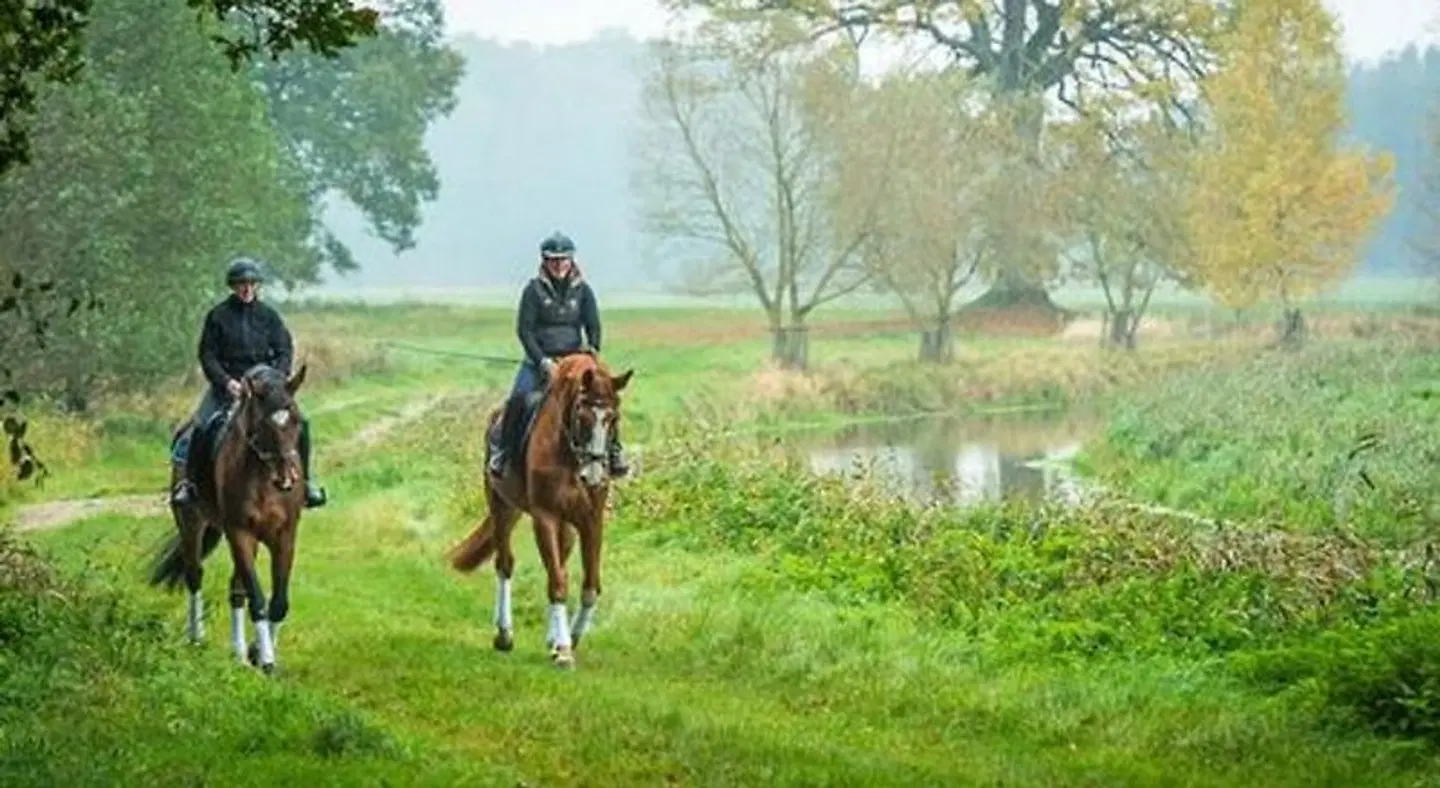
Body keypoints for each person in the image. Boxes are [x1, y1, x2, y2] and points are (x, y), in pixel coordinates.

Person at [170, 257, 327, 508]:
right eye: (242, 284)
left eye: (252, 284)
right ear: (233, 286)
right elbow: (208, 355)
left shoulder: (269, 316)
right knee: (200, 426)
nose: (247, 289)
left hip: (265, 389)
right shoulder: (218, 316)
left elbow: (284, 349)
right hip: (229, 387)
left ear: (257, 286)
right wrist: (227, 383)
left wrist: (277, 379)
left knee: (302, 423)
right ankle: (190, 485)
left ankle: (307, 483)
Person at [488, 231, 628, 479]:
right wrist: (543, 362)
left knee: (603, 402)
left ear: (572, 260)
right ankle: (503, 454)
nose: (559, 265)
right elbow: (525, 330)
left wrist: (592, 351)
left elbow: (593, 326)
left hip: (575, 363)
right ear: (544, 261)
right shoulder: (533, 291)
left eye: (564, 259)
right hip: (539, 362)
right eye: (554, 260)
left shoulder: (583, 291)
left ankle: (615, 453)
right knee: (517, 401)